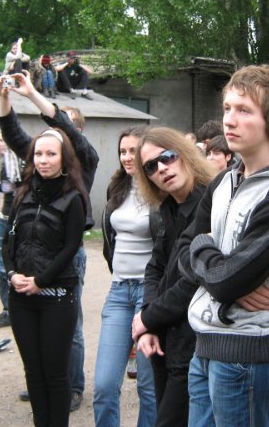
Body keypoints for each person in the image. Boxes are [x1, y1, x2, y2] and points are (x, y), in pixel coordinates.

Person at [178, 65, 269, 427]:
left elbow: (223, 281)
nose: (229, 119)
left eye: (243, 110)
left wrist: (210, 259)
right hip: (207, 343)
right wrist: (217, 267)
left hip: (249, 355)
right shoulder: (224, 180)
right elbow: (184, 251)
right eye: (227, 108)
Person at [0, 70, 99, 411]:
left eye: (62, 128)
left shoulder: (84, 161)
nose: (43, 157)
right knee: (37, 335)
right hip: (31, 255)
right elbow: (13, 134)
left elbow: (60, 125)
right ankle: (46, 379)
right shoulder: (40, 161)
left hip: (65, 257)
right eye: (40, 152)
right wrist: (4, 98)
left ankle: (71, 385)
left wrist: (32, 94)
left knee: (71, 328)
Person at [2, 127, 87, 427]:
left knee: (55, 374)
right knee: (33, 373)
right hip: (21, 298)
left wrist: (41, 280)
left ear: (64, 159)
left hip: (57, 298)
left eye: (51, 154)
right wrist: (12, 274)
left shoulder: (73, 198)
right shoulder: (22, 193)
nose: (44, 160)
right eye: (38, 154)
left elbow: (71, 246)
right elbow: (8, 241)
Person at [131, 127, 215, 427]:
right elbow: (155, 267)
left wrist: (149, 318)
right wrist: (149, 323)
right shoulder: (167, 208)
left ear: (185, 153)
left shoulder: (211, 203)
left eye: (167, 157)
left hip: (194, 344)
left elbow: (195, 280)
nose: (162, 169)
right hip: (165, 339)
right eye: (151, 166)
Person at [93, 125, 158, 427]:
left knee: (148, 387)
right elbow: (111, 238)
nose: (127, 157)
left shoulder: (160, 190)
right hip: (119, 291)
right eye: (122, 151)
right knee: (104, 386)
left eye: (134, 150)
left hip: (149, 295)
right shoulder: (117, 188)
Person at [0, 130, 22, 329]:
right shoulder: (1, 163)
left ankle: (14, 309)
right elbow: (5, 194)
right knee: (2, 266)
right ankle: (7, 309)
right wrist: (0, 216)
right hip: (4, 217)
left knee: (12, 265)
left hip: (16, 219)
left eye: (2, 140)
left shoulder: (17, 163)